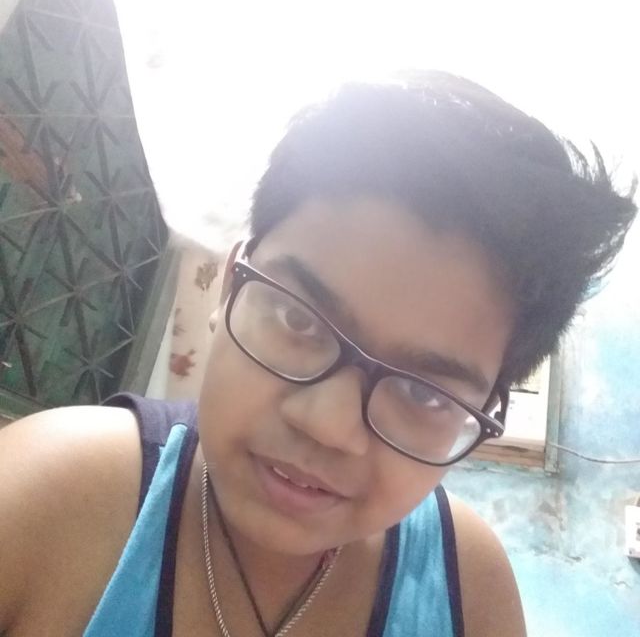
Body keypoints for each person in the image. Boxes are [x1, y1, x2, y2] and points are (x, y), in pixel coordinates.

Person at [0, 72, 636, 637]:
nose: (328, 426)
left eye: (423, 391)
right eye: (299, 320)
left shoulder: (469, 590)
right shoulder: (52, 499)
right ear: (230, 285)